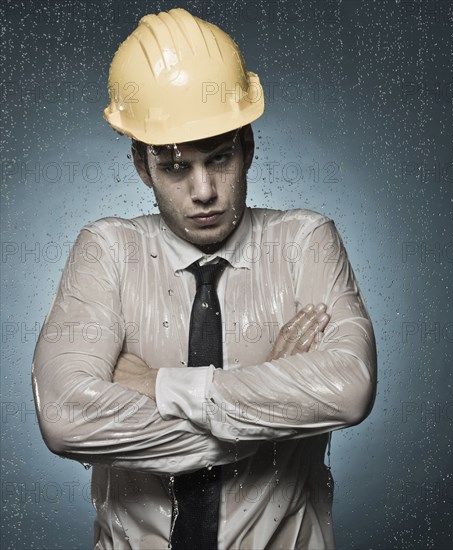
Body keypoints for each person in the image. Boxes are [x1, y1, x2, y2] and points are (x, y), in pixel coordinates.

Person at [32, 8, 377, 550]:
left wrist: (163, 385)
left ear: (248, 147)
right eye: (174, 167)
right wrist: (268, 399)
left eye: (218, 159)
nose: (203, 192)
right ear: (142, 166)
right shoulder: (106, 251)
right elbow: (64, 416)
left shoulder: (305, 242)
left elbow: (348, 388)